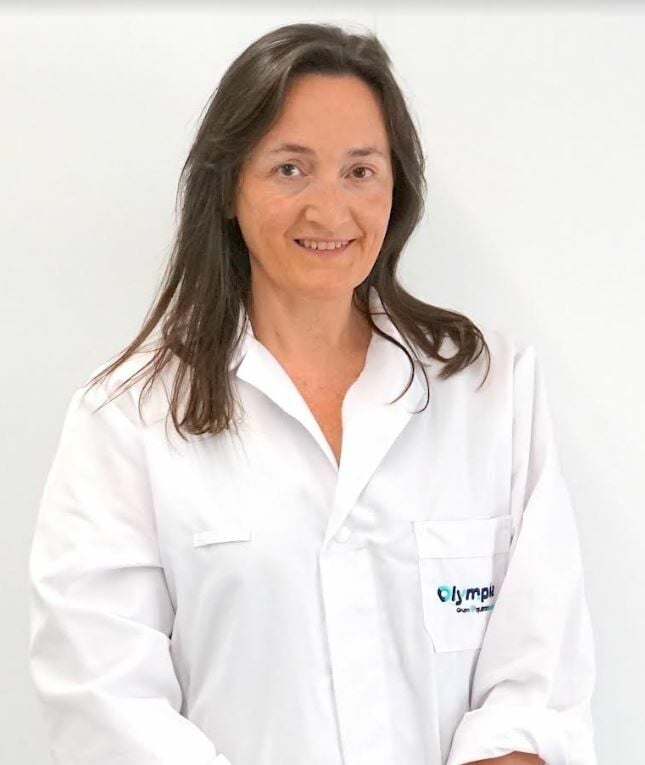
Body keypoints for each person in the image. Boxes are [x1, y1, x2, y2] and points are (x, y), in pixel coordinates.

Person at [28, 21, 597, 765]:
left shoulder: (489, 386)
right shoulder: (125, 419)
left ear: (396, 187)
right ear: (228, 188)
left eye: (360, 171)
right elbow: (104, 700)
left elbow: (538, 683)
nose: (330, 211)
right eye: (290, 169)